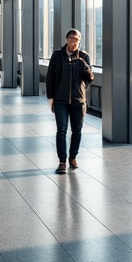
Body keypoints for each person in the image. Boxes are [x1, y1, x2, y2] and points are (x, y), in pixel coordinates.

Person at [45, 28, 93, 175]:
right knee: (61, 130)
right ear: (67, 40)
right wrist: (51, 97)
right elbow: (50, 77)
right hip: (60, 100)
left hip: (78, 100)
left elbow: (89, 80)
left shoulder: (84, 56)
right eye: (72, 39)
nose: (74, 42)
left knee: (77, 131)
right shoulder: (57, 56)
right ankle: (62, 162)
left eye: (77, 40)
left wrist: (88, 71)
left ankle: (73, 157)